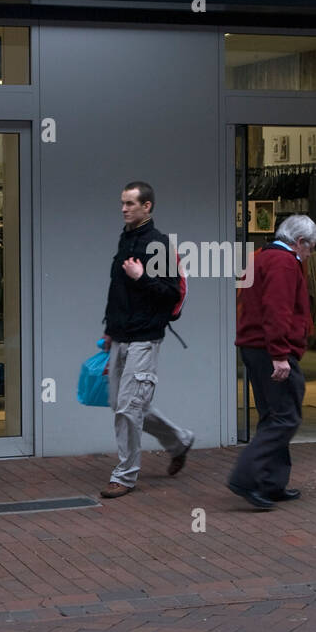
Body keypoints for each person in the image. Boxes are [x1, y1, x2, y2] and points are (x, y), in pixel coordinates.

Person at [100, 181, 195, 499]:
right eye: (122, 203)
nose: (124, 208)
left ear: (147, 206)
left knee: (129, 407)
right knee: (122, 405)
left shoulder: (158, 244)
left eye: (130, 203)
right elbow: (117, 290)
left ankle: (125, 475)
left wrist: (142, 278)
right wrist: (109, 330)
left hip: (145, 338)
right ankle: (179, 440)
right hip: (120, 336)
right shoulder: (125, 239)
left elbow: (171, 294)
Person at [227, 214, 316, 510]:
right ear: (300, 242)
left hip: (255, 346)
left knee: (272, 415)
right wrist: (280, 354)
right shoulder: (283, 262)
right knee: (285, 416)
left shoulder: (260, 257)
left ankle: (272, 483)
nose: (310, 255)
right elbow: (277, 310)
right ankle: (246, 477)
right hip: (271, 349)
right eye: (311, 248)